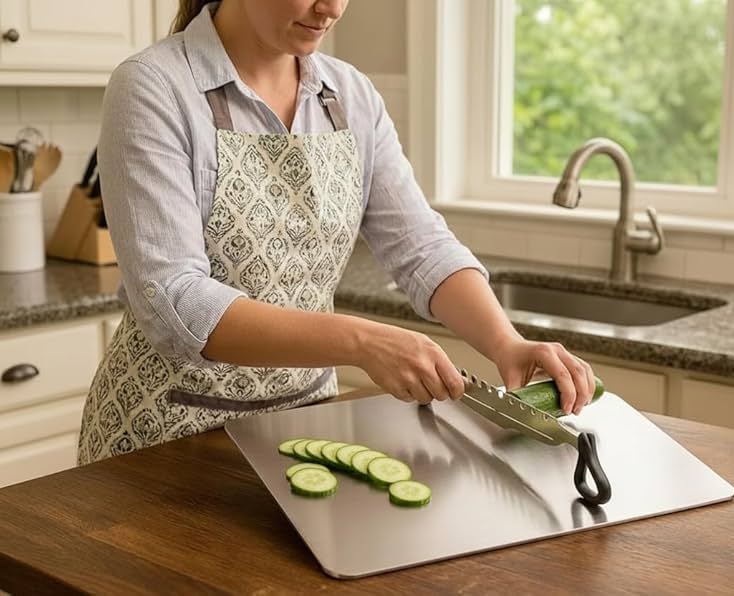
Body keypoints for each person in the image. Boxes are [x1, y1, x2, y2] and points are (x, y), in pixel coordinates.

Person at [77, 0, 597, 464]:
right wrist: (361, 341)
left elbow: (421, 247)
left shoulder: (350, 95)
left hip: (306, 428)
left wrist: (507, 344)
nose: (332, 7)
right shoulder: (153, 86)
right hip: (167, 439)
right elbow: (175, 299)